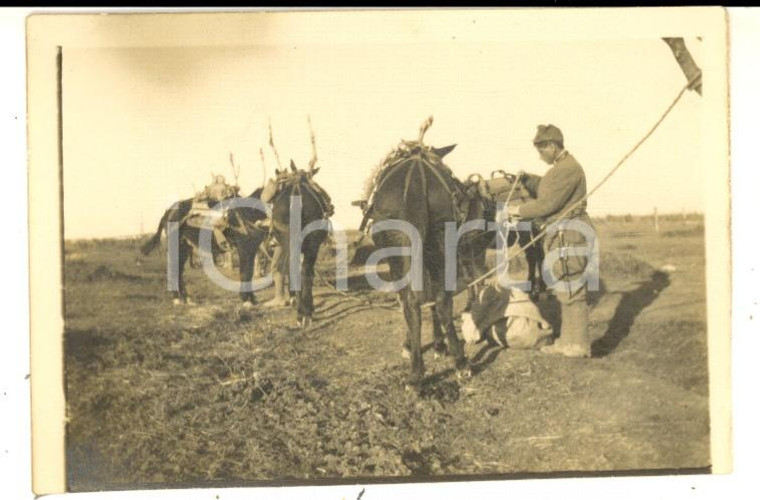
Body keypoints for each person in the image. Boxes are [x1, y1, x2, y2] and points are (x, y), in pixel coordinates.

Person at [506, 124, 596, 358]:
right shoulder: (562, 168)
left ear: (553, 146)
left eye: (542, 150)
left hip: (570, 234)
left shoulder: (567, 169)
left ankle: (578, 345)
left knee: (572, 286)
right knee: (564, 286)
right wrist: (529, 179)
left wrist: (515, 210)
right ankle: (566, 341)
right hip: (564, 233)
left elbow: (546, 204)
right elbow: (549, 187)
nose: (540, 155)